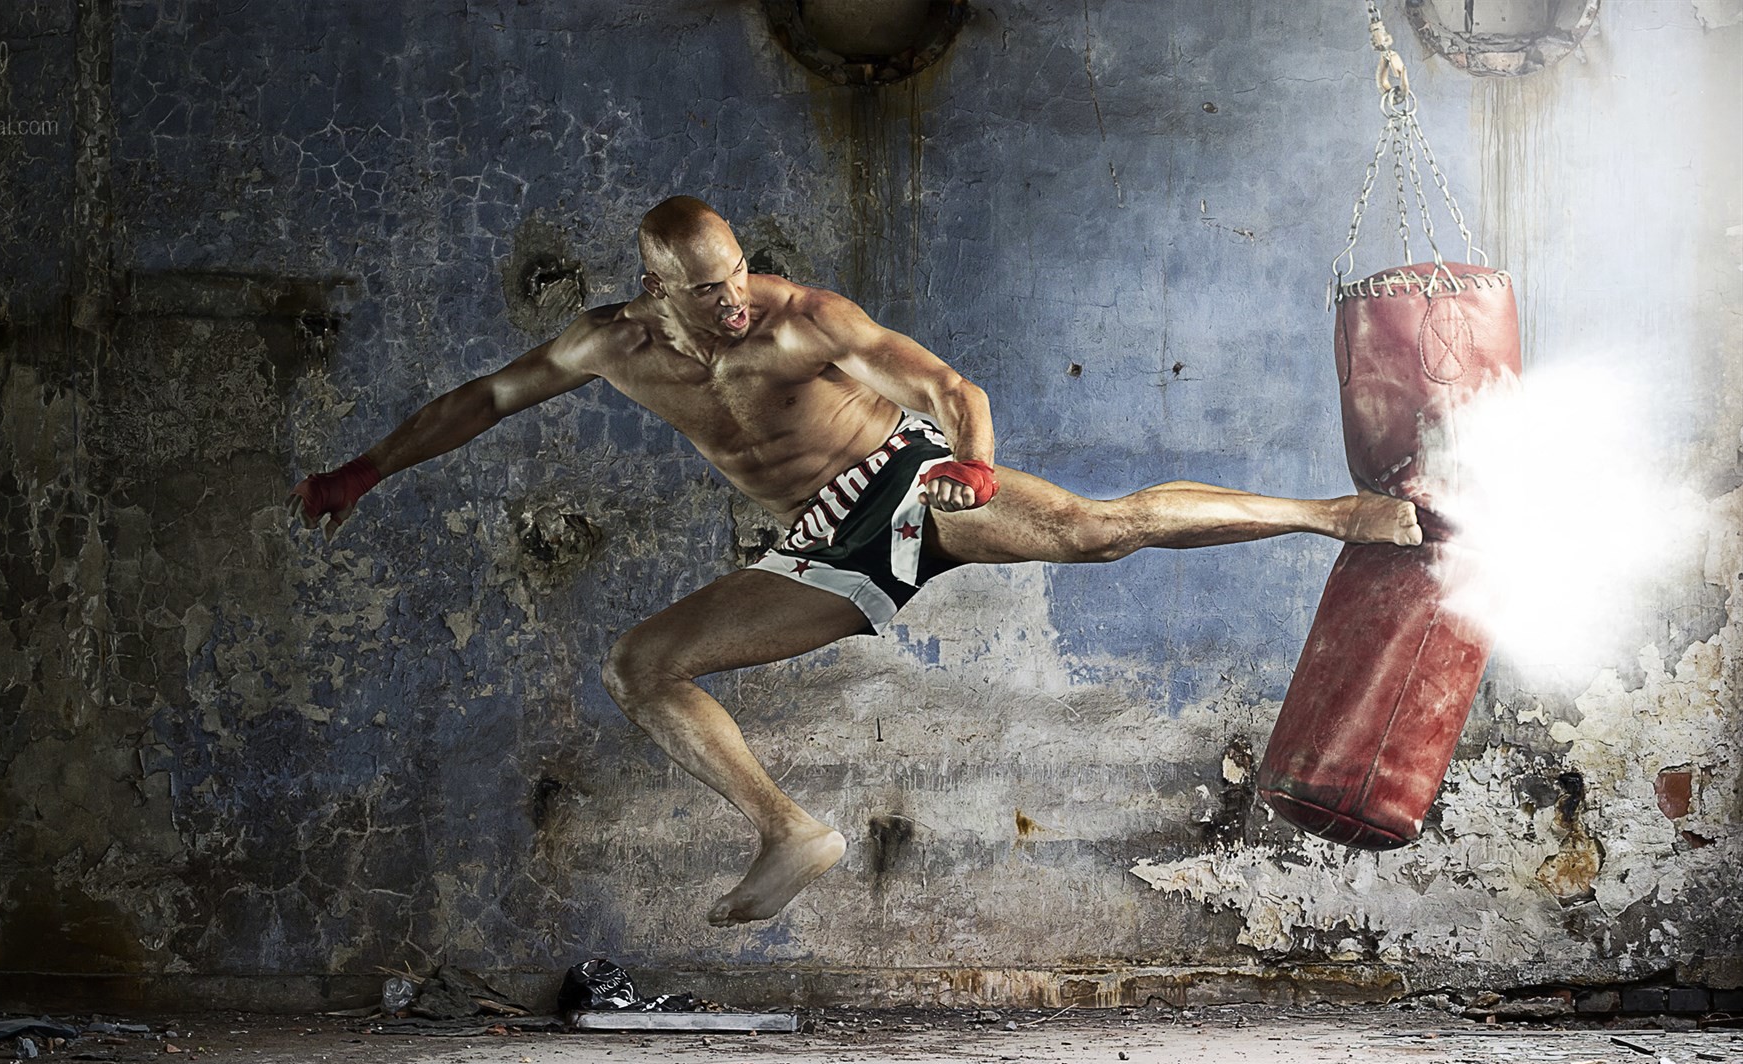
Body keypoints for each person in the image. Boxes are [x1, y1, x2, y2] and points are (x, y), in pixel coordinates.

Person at [292, 196, 1420, 927]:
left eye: (735, 273)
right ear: (652, 291)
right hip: (818, 541)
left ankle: (1333, 512)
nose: (731, 298)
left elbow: (948, 390)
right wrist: (364, 470)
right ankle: (788, 829)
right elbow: (482, 399)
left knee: (1096, 528)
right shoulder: (608, 348)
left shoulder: (799, 319)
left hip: (906, 484)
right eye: (704, 288)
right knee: (639, 667)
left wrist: (972, 464)